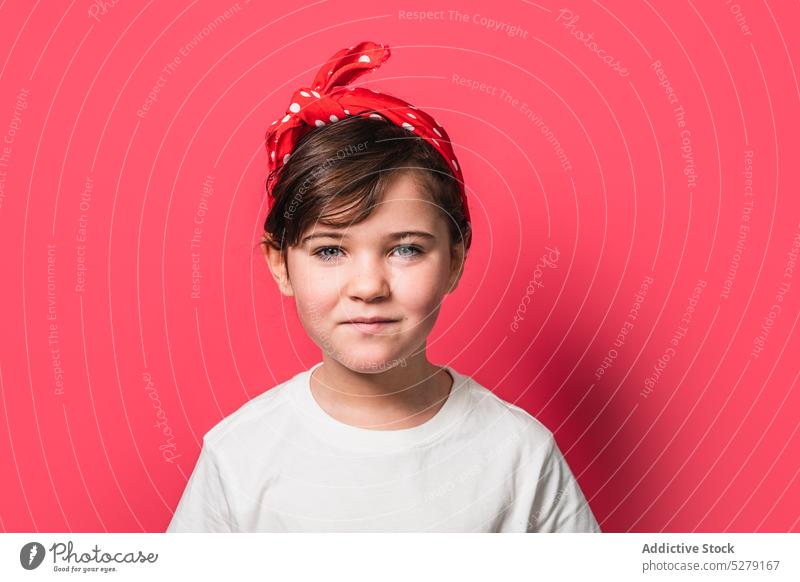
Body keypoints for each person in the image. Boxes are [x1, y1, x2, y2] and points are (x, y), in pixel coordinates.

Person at [167, 41, 600, 533]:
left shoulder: (518, 454)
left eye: (406, 249)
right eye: (330, 250)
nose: (369, 286)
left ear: (454, 258)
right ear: (281, 264)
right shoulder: (240, 454)